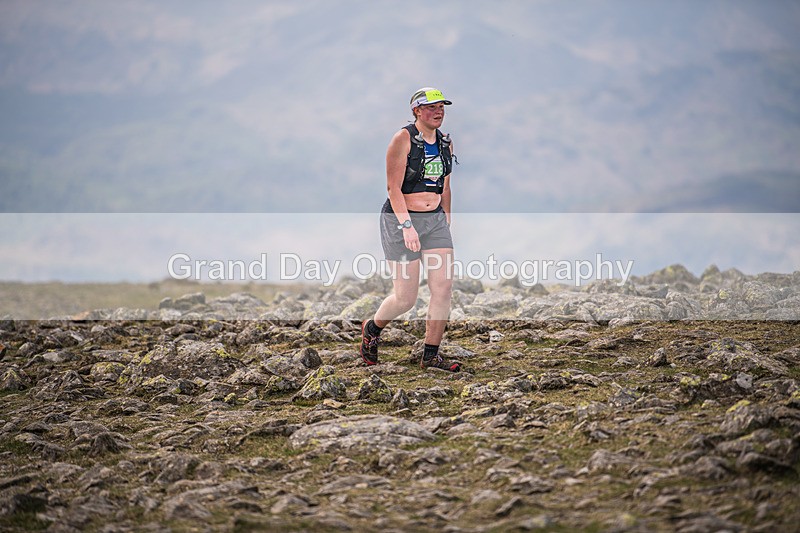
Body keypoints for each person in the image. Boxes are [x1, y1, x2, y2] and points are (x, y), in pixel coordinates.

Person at [359, 87, 462, 372]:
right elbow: (393, 189)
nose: (439, 111)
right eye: (432, 107)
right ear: (416, 110)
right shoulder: (402, 140)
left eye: (442, 107)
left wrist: (447, 220)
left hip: (435, 221)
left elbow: (446, 187)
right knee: (406, 298)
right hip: (400, 221)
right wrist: (407, 226)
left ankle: (430, 356)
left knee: (443, 288)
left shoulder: (445, 143)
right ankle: (372, 329)